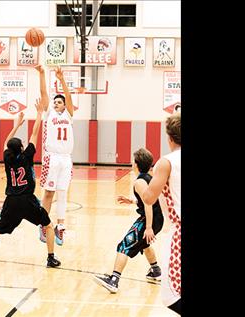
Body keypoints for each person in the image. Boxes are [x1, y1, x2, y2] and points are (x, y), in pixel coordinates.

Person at [0, 98, 61, 269]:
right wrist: (39, 113)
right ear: (21, 148)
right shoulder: (26, 157)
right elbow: (35, 133)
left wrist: (17, 125)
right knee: (48, 226)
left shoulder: (7, 157)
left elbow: (6, 142)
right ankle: (50, 258)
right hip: (27, 200)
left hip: (11, 201)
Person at [93, 148, 164, 293]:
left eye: (133, 160)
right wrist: (132, 200)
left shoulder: (140, 182)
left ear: (136, 164)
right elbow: (148, 199)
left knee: (124, 246)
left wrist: (149, 227)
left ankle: (114, 280)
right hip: (157, 218)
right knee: (143, 243)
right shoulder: (148, 178)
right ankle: (155, 271)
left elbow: (148, 204)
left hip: (149, 219)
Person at [142, 112, 181, 315]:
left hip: (179, 234)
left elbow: (148, 197)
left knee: (171, 296)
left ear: (169, 137)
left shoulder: (166, 162)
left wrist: (140, 180)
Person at [34, 64, 74, 246]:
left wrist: (62, 79)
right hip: (52, 157)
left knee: (63, 193)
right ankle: (43, 223)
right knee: (49, 193)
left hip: (66, 159)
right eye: (55, 101)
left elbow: (69, 97)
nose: (57, 103)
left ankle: (60, 226)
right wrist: (42, 74)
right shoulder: (49, 113)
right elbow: (44, 95)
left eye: (60, 101)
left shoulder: (69, 114)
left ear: (64, 105)